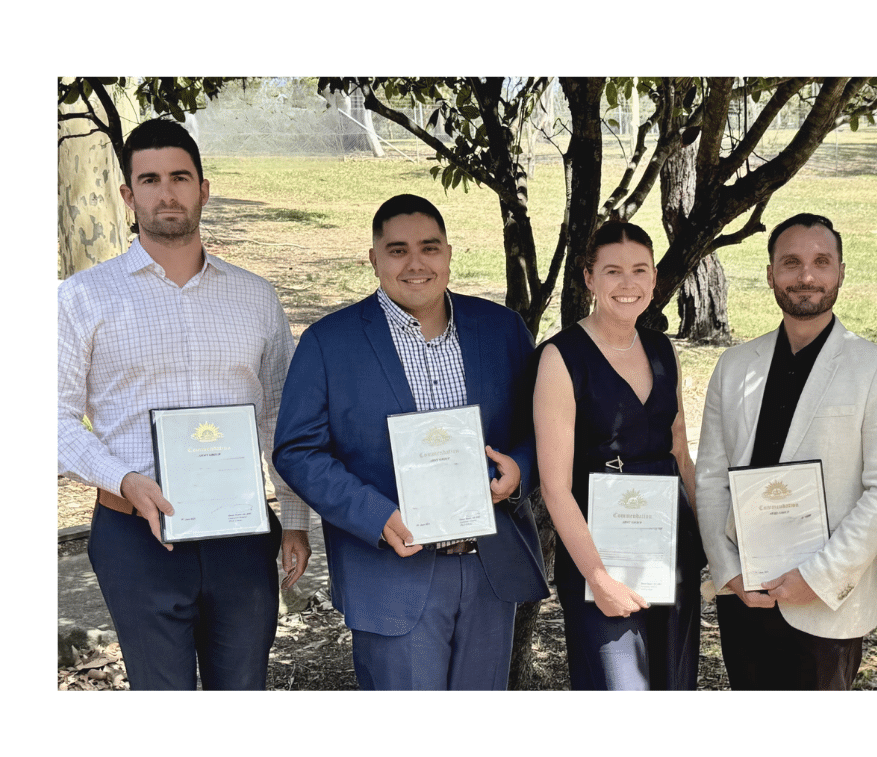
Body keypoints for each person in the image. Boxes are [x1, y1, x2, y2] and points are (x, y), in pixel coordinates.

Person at [57, 118, 312, 690]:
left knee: (242, 689)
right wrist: (123, 479)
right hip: (135, 536)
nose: (166, 193)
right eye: (149, 180)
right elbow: (52, 419)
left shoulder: (255, 297)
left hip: (242, 534)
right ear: (128, 196)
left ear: (203, 189)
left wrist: (295, 521)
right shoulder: (83, 298)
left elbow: (281, 417)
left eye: (180, 177)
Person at [272, 194, 548, 690]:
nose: (416, 263)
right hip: (390, 571)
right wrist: (375, 515)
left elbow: (542, 425)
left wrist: (521, 469)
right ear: (373, 258)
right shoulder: (328, 343)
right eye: (397, 250)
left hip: (489, 567)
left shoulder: (501, 329)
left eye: (429, 247)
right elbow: (297, 451)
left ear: (449, 254)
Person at [694, 213, 877, 690]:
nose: (806, 276)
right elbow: (710, 476)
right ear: (771, 273)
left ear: (841, 272)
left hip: (825, 603)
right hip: (745, 593)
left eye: (821, 262)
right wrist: (727, 570)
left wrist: (818, 577)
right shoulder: (734, 366)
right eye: (791, 262)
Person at [533, 221, 706, 690]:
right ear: (589, 278)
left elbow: (680, 453)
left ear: (654, 278)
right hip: (600, 552)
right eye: (613, 271)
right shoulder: (561, 358)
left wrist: (711, 544)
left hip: (669, 549)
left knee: (673, 684)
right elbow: (554, 487)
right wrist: (598, 577)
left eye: (639, 270)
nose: (628, 284)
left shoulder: (663, 350)